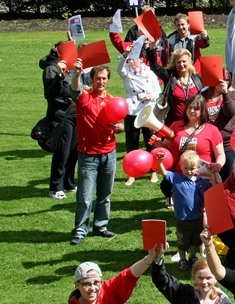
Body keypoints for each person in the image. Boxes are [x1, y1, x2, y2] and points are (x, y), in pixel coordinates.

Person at [69, 62, 123, 246]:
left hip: (109, 153)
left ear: (108, 80)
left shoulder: (112, 101)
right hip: (88, 155)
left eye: (104, 78)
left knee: (105, 194)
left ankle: (100, 226)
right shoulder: (85, 97)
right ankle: (79, 231)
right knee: (84, 196)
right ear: (92, 79)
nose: (101, 81)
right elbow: (74, 90)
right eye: (98, 78)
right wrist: (76, 75)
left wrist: (120, 128)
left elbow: (120, 123)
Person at [154, 94, 225, 210]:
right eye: (189, 108)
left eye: (196, 108)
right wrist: (158, 144)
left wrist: (218, 164)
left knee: (203, 211)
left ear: (202, 111)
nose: (192, 111)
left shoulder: (212, 130)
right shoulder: (176, 126)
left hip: (203, 180)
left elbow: (221, 154)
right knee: (183, 212)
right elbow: (166, 147)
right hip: (180, 180)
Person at [67, 245, 160, 304]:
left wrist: (150, 257)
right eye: (87, 284)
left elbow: (129, 276)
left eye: (96, 282)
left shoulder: (108, 291)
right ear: (77, 285)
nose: (92, 288)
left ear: (101, 281)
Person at [158, 150, 213, 271]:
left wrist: (213, 173)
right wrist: (160, 162)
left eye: (192, 168)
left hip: (197, 217)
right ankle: (183, 259)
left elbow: (213, 189)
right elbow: (164, 173)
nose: (189, 171)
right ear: (180, 167)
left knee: (195, 241)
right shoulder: (176, 178)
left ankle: (192, 257)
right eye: (186, 168)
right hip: (182, 218)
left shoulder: (201, 182)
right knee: (182, 241)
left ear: (198, 168)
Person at [151, 244, 234, 304]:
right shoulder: (184, 294)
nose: (204, 282)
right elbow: (161, 279)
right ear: (194, 277)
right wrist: (158, 257)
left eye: (208, 278)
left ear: (216, 278)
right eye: (200, 278)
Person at [116, 45, 162, 186]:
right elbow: (119, 68)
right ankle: (131, 173)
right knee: (132, 141)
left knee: (150, 140)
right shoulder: (126, 72)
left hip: (147, 110)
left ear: (142, 59)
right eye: (129, 60)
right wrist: (125, 55)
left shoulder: (149, 73)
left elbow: (158, 92)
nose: (131, 62)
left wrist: (150, 95)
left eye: (134, 59)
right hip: (131, 110)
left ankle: (153, 170)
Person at [41, 42, 78, 199]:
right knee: (62, 151)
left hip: (75, 112)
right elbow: (51, 93)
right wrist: (60, 75)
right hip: (61, 114)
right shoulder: (52, 69)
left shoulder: (71, 68)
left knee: (73, 150)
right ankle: (55, 187)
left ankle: (68, 182)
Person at [147, 47, 203, 126]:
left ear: (189, 62)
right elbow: (155, 67)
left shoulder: (198, 78)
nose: (181, 64)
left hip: (195, 123)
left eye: (184, 61)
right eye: (178, 62)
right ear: (174, 63)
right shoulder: (169, 76)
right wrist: (151, 47)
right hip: (174, 123)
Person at [203, 72, 235, 181]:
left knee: (228, 178)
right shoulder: (204, 94)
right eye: (221, 79)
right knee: (209, 178)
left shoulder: (232, 94)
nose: (223, 82)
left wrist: (225, 93)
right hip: (208, 143)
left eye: (227, 80)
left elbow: (231, 112)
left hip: (226, 143)